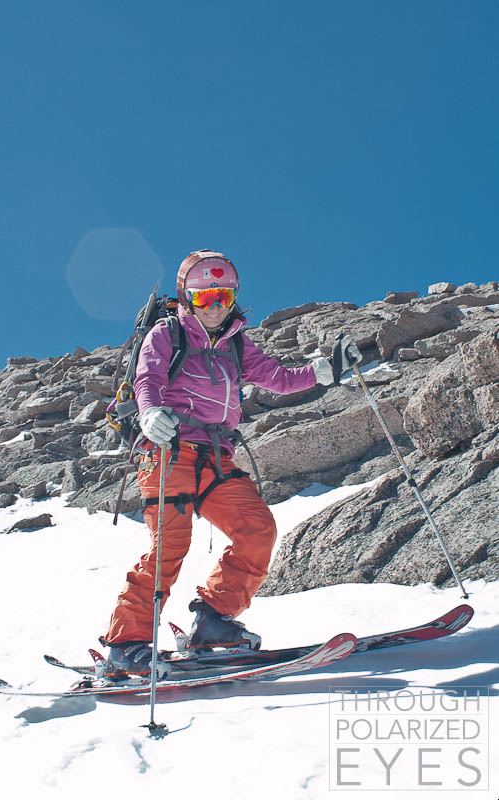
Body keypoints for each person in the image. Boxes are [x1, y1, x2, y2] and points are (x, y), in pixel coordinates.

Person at [102, 249, 361, 676]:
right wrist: (149, 414)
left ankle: (213, 620)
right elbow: (147, 379)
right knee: (168, 548)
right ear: (186, 298)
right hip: (168, 453)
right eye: (203, 297)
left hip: (217, 458)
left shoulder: (236, 343)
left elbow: (278, 378)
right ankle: (125, 643)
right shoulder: (168, 334)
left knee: (257, 529)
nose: (214, 306)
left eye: (222, 296)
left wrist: (326, 370)